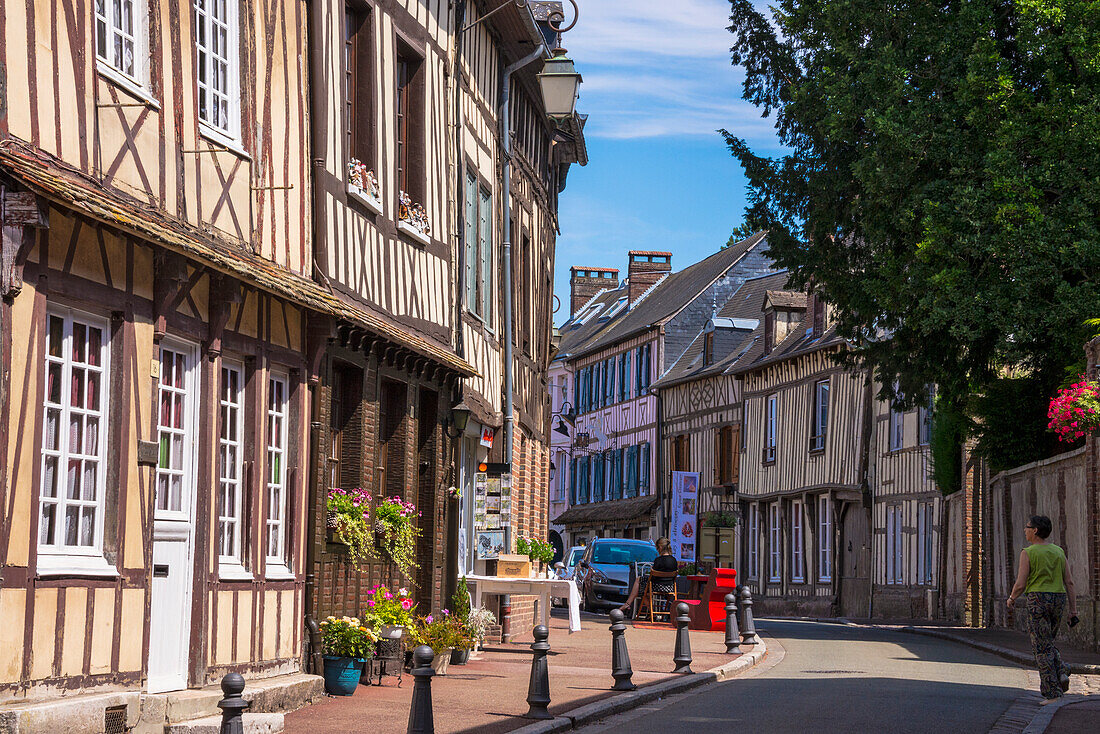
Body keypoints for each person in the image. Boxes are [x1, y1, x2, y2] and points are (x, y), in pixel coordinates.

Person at [1007, 514, 1078, 703]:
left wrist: (1012, 598)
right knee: (1048, 641)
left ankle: (1052, 693)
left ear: (1035, 530)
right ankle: (1061, 669)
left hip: (1038, 599)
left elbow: (1021, 583)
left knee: (1041, 647)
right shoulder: (1058, 551)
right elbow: (1069, 582)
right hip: (1058, 598)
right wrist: (1073, 610)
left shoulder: (1028, 552)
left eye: (1027, 527)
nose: (1025, 530)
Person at [616, 537, 678, 615]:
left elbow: (653, 578)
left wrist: (651, 572)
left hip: (657, 587)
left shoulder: (658, 560)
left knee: (640, 584)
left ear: (660, 547)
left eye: (657, 548)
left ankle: (630, 605)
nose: (657, 550)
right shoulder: (674, 560)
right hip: (670, 587)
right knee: (643, 587)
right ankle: (632, 605)